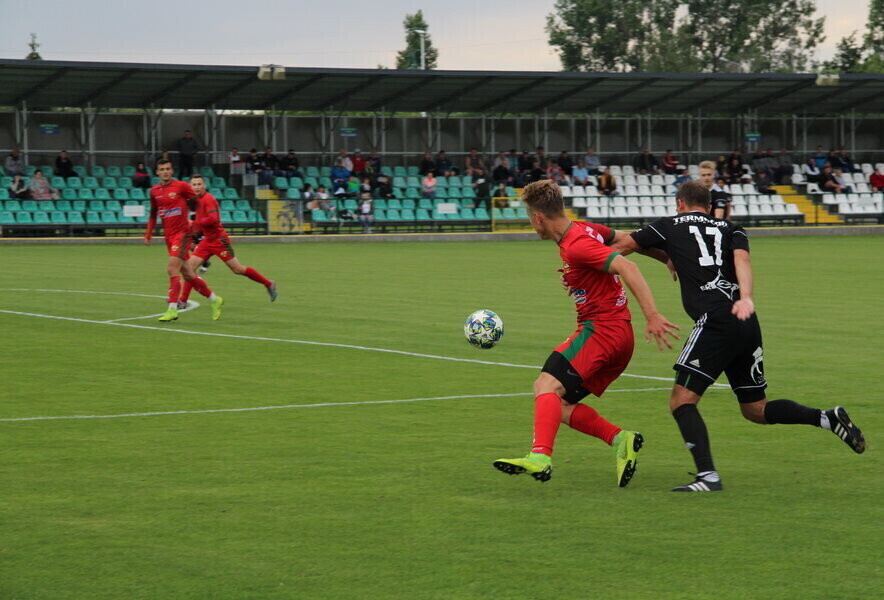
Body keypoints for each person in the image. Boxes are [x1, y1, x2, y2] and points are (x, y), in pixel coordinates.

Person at [613, 180, 865, 492]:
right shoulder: (732, 228)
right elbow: (742, 261)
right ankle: (826, 418)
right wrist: (746, 297)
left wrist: (655, 256)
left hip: (715, 321)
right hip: (745, 320)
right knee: (755, 409)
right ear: (708, 206)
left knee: (681, 400)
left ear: (679, 203)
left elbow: (621, 248)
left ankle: (708, 477)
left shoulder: (668, 225)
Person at [492, 180, 679, 485]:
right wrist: (666, 257)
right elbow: (630, 240)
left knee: (546, 386)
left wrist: (653, 314)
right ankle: (621, 439)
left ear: (538, 218)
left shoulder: (577, 244)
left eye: (529, 217)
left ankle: (540, 457)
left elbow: (627, 267)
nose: (531, 224)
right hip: (618, 335)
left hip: (603, 331)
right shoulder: (584, 230)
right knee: (559, 406)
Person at [177, 174, 277, 307]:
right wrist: (193, 231)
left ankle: (269, 284)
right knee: (189, 270)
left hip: (219, 240)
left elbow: (213, 219)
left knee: (237, 269)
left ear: (204, 185)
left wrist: (196, 223)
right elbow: (199, 224)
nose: (196, 187)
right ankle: (182, 301)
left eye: (199, 184)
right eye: (194, 184)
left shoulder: (208, 199)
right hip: (207, 241)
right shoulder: (197, 201)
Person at [144, 159, 223, 323]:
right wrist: (148, 234)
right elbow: (153, 214)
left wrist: (197, 222)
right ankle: (214, 299)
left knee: (172, 269)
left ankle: (172, 309)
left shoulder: (181, 186)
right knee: (188, 274)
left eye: (168, 168)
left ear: (172, 171)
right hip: (169, 236)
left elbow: (199, 201)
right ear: (157, 172)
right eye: (162, 169)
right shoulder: (154, 191)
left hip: (183, 234)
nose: (165, 171)